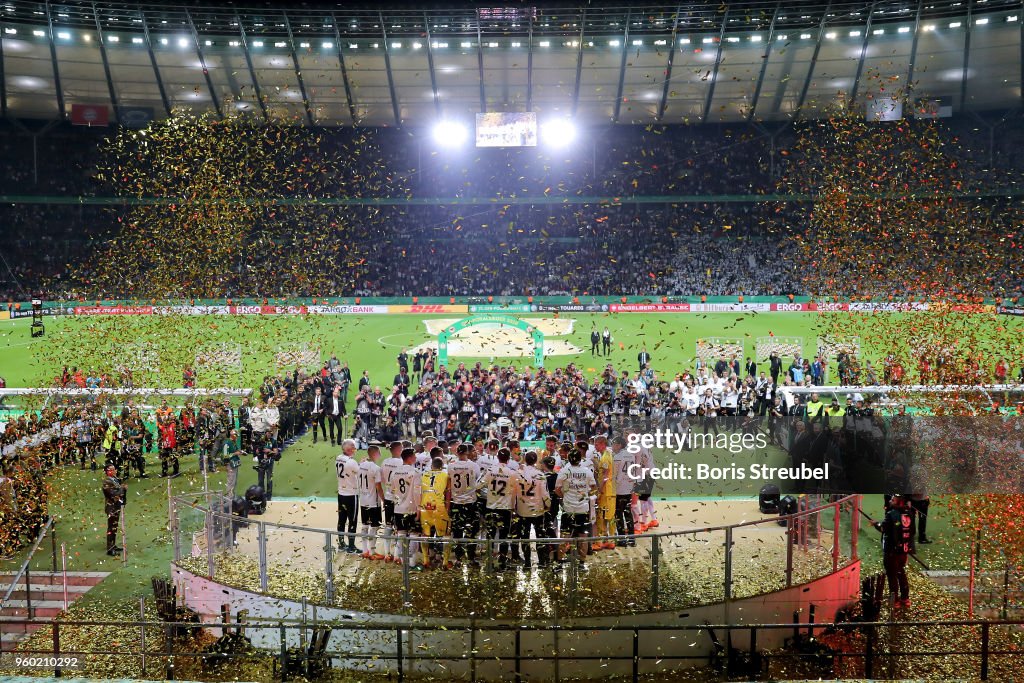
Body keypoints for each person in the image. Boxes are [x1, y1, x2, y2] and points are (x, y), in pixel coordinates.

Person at [555, 447, 597, 570]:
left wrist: (565, 497)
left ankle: (559, 562)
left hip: (568, 509)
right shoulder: (587, 471)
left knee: (564, 536)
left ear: (569, 458)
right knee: (582, 537)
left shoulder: (564, 471)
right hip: (582, 509)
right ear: (580, 459)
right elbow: (594, 488)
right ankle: (582, 563)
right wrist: (585, 495)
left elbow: (557, 490)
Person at [480, 447, 520, 571]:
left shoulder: (490, 470)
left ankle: (489, 562)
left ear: (497, 457)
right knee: (503, 536)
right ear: (509, 459)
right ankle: (502, 562)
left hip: (491, 506)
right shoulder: (512, 473)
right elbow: (516, 491)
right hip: (505, 508)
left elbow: (479, 484)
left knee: (490, 535)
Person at [874, 493, 915, 608]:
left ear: (898, 502)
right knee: (901, 572)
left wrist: (875, 524)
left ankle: (895, 601)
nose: (890, 501)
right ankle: (905, 599)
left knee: (892, 575)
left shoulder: (891, 514)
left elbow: (883, 528)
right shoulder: (909, 514)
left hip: (892, 551)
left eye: (893, 500)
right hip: (904, 551)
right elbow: (912, 531)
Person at [515, 451, 551, 568]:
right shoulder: (540, 475)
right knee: (540, 535)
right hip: (538, 509)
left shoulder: (518, 474)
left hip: (522, 509)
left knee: (524, 536)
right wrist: (548, 505)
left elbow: (514, 492)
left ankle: (527, 562)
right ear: (536, 461)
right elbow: (545, 494)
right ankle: (541, 562)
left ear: (525, 460)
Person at [448, 443, 482, 567]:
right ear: (467, 453)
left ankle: (458, 559)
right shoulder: (473, 466)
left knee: (457, 531)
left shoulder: (451, 466)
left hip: (456, 502)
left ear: (457, 453)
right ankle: (471, 558)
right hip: (470, 502)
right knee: (472, 531)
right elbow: (477, 479)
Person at [389, 447, 422, 567]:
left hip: (398, 508)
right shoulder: (416, 472)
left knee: (401, 533)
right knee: (414, 534)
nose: (416, 457)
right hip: (411, 508)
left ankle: (402, 560)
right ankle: (411, 562)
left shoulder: (394, 472)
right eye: (414, 455)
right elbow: (417, 492)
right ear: (410, 457)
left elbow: (391, 490)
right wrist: (419, 507)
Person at [420, 457, 452, 568]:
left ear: (431, 466)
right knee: (446, 535)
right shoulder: (445, 475)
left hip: (425, 507)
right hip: (439, 507)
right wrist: (447, 508)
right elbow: (448, 493)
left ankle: (425, 560)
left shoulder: (424, 474)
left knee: (425, 534)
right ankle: (445, 562)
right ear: (442, 466)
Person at [358, 443, 385, 559]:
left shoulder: (360, 465)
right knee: (374, 526)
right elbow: (378, 487)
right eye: (379, 453)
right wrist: (384, 500)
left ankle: (365, 550)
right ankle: (372, 552)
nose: (380, 455)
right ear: (375, 454)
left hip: (363, 500)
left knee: (364, 526)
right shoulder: (376, 468)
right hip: (373, 502)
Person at [335, 439, 360, 554]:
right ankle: (351, 546)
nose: (355, 449)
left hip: (341, 494)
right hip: (351, 495)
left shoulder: (338, 458)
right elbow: (360, 473)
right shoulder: (352, 462)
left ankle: (341, 543)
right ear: (349, 449)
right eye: (354, 447)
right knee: (352, 520)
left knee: (341, 519)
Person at [102, 464, 126, 557]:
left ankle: (113, 545)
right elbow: (111, 493)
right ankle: (110, 548)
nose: (113, 471)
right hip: (111, 506)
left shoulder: (115, 479)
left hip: (116, 505)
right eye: (110, 470)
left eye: (113, 469)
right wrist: (122, 489)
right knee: (111, 527)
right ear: (107, 472)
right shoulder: (107, 481)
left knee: (114, 527)